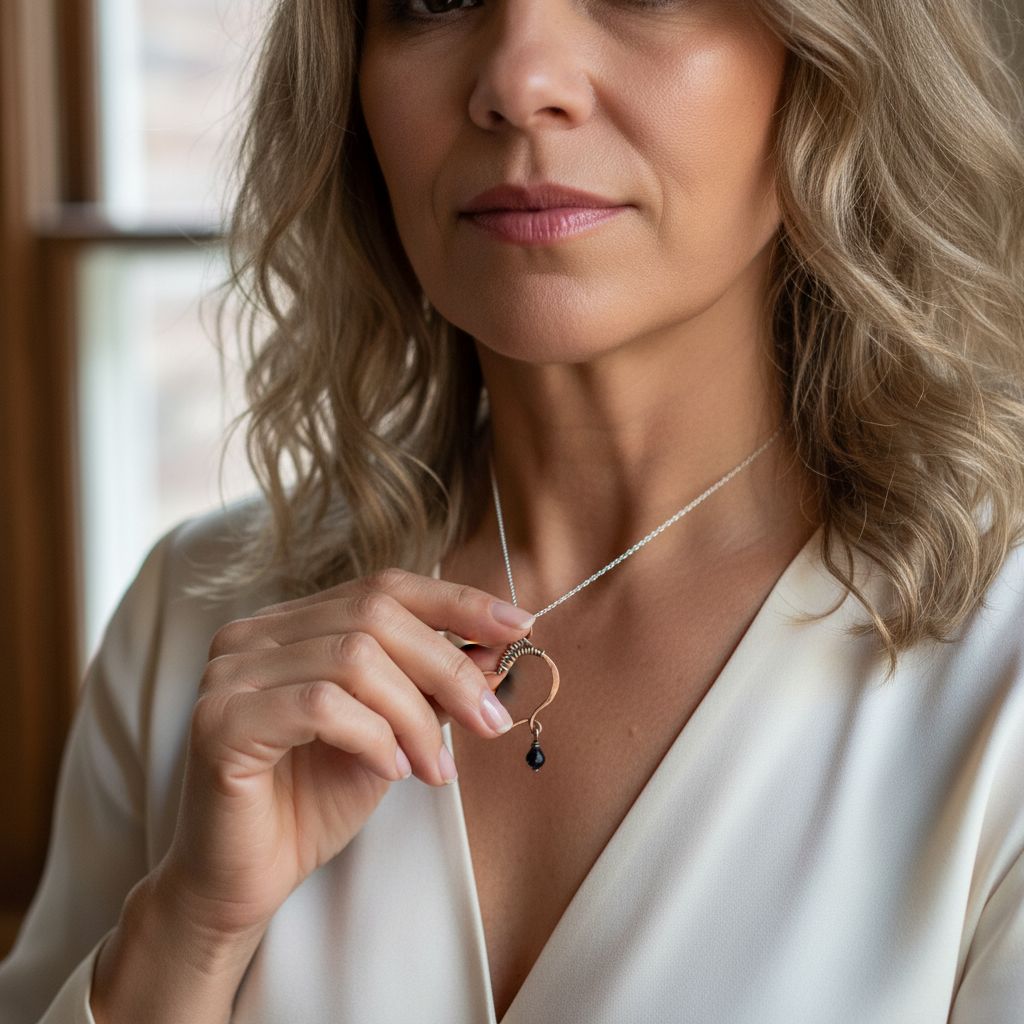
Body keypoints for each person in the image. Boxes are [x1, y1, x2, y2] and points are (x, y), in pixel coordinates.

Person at [3, 0, 1024, 1020]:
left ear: (828, 62)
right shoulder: (193, 622)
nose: (517, 81)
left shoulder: (1003, 666)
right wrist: (186, 935)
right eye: (434, 0)